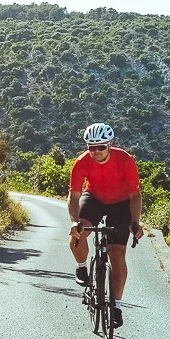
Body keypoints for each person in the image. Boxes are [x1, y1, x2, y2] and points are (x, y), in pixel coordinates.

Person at [68, 122, 144, 327]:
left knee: (117, 254)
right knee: (77, 234)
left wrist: (135, 222)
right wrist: (75, 222)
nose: (96, 152)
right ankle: (82, 267)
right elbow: (74, 196)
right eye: (91, 147)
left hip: (120, 204)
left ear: (110, 144)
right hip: (93, 198)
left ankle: (117, 306)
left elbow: (135, 195)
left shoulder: (125, 160)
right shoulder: (81, 162)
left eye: (100, 147)